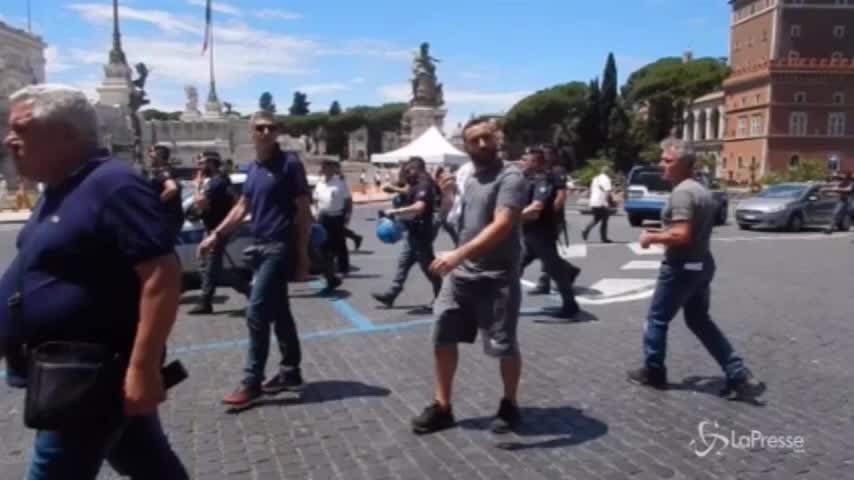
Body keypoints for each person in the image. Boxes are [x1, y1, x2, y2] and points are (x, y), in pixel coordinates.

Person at [0, 84, 187, 479]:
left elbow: (162, 275)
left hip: (83, 377)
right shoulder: (60, 190)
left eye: (22, 128)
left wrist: (144, 368)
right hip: (74, 372)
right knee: (150, 464)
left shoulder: (113, 185)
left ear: (66, 133)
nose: (9, 139)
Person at [411, 117, 527, 435]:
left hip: (497, 276)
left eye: (486, 137)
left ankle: (510, 403)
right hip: (460, 276)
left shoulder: (511, 176)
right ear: (465, 146)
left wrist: (457, 255)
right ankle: (443, 406)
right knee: (442, 335)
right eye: (474, 140)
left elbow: (503, 225)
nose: (481, 144)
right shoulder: (468, 178)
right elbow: (456, 224)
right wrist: (446, 198)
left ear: (497, 139)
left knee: (503, 346)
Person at [627, 138, 763, 401]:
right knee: (699, 320)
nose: (661, 165)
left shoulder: (682, 193)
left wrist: (650, 238)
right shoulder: (701, 190)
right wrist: (661, 232)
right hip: (702, 263)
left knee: (656, 319)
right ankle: (737, 372)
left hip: (681, 266)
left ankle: (654, 371)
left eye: (667, 161)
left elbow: (681, 235)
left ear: (684, 164)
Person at [199, 111, 311, 407]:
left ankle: (252, 382)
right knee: (280, 311)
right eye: (259, 128)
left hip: (279, 245)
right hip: (258, 247)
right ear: (251, 133)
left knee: (257, 312)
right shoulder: (253, 169)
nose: (264, 132)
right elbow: (242, 206)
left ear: (276, 133)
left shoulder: (290, 164)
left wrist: (302, 254)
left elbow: (304, 212)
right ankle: (290, 372)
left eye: (270, 128)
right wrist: (217, 235)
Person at [372, 157, 442, 308]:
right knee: (403, 263)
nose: (407, 173)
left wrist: (394, 211)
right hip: (413, 231)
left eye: (409, 170)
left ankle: (441, 297)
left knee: (428, 267)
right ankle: (391, 294)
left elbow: (419, 207)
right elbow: (409, 191)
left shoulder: (425, 184)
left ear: (417, 169)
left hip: (422, 232)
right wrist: (395, 189)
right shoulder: (417, 184)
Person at [519, 148, 580, 320]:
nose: (523, 163)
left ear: (536, 163)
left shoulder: (542, 179)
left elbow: (538, 207)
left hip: (540, 233)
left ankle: (570, 305)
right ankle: (503, 304)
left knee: (555, 270)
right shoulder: (528, 178)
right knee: (515, 267)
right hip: (529, 233)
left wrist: (514, 218)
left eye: (527, 160)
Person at [188, 152, 249, 315]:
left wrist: (196, 185)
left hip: (217, 231)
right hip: (211, 230)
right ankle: (206, 300)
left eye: (202, 163)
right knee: (205, 266)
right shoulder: (218, 181)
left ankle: (250, 292)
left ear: (211, 163)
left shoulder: (217, 183)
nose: (199, 166)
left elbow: (200, 202)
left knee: (213, 270)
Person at [530, 145, 577, 295]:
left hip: (551, 219)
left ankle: (549, 280)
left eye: (547, 154)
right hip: (542, 219)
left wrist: (550, 214)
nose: (544, 157)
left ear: (554, 156)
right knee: (543, 251)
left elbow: (561, 196)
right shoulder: (544, 172)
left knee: (543, 250)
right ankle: (565, 272)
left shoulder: (557, 171)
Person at [314, 160, 352, 275]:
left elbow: (348, 200)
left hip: (337, 216)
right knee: (323, 243)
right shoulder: (319, 183)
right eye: (324, 168)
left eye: (328, 168)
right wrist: (317, 212)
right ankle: (326, 268)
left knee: (340, 243)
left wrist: (348, 214)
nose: (326, 170)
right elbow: (316, 199)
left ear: (332, 169)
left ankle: (343, 268)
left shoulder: (340, 183)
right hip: (323, 217)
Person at [146, 145, 184, 238]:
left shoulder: (164, 172)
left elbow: (172, 188)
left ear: (159, 155)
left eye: (151, 155)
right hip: (169, 218)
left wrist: (155, 204)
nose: (149, 157)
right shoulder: (166, 170)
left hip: (167, 218)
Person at [334, 163, 363, 251]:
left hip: (341, 207)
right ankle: (355, 237)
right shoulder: (336, 178)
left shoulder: (339, 180)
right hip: (336, 206)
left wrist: (348, 212)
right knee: (338, 228)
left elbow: (347, 198)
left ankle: (355, 238)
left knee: (337, 229)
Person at [582, 165, 614, 242]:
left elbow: (591, 190)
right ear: (607, 172)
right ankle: (604, 238)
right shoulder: (606, 179)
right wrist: (607, 202)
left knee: (597, 218)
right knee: (605, 219)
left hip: (593, 201)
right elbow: (607, 192)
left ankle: (586, 229)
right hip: (601, 202)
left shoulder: (595, 178)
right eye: (610, 171)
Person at [432, 166, 459, 245]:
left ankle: (428, 244)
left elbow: (446, 189)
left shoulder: (446, 182)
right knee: (446, 226)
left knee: (437, 225)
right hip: (443, 206)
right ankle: (458, 242)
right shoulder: (440, 181)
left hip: (444, 207)